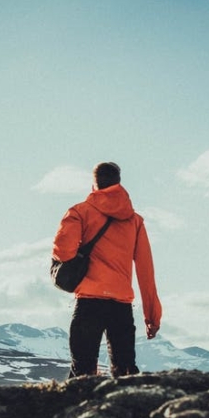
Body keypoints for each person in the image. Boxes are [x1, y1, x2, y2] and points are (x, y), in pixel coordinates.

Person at [51, 161, 162, 378]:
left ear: (94, 184)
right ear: (119, 183)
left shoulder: (79, 212)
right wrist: (152, 317)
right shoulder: (135, 221)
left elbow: (63, 252)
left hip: (89, 302)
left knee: (82, 372)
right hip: (121, 306)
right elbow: (145, 271)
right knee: (125, 371)